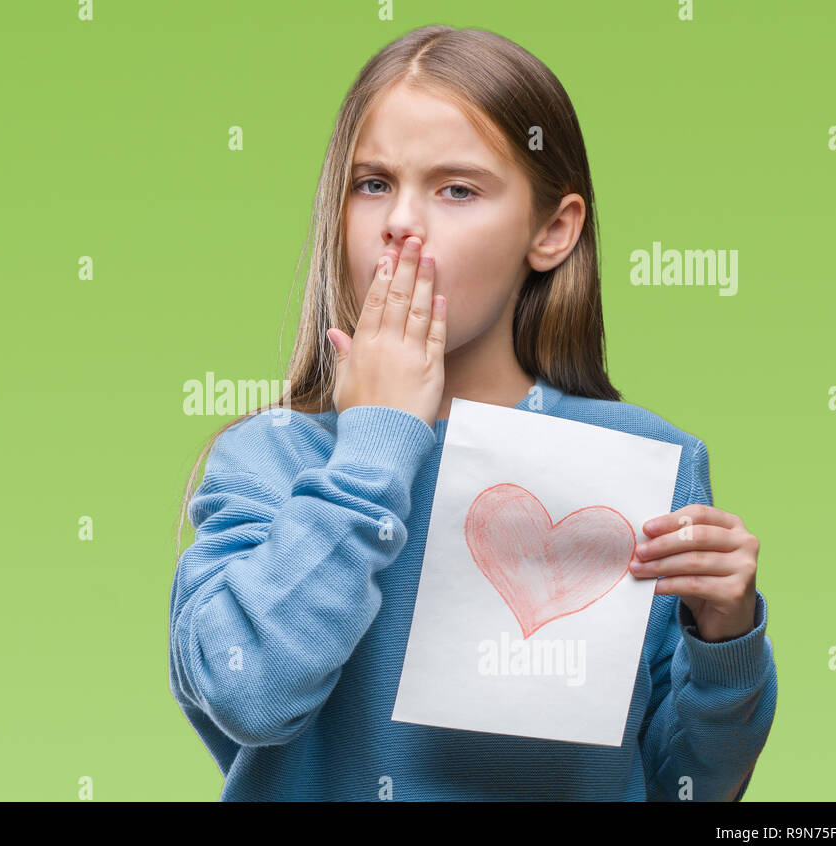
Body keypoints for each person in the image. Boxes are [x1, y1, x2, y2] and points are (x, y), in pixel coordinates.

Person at [168, 25, 776, 801]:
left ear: (552, 231)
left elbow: (683, 785)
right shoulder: (271, 458)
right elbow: (250, 695)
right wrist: (376, 446)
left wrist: (725, 639)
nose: (401, 223)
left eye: (457, 189)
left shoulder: (647, 463)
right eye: (373, 184)